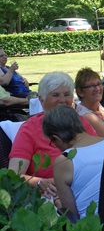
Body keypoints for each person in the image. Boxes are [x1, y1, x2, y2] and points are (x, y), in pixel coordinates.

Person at [8, 72, 98, 201]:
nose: (63, 100)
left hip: (87, 189)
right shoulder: (30, 129)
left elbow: (98, 153)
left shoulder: (81, 122)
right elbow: (13, 174)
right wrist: (39, 182)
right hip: (50, 196)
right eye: (55, 95)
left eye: (67, 94)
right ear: (41, 100)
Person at [43, 105, 104, 220]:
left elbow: (71, 216)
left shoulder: (65, 161)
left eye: (52, 142)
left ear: (58, 139)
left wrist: (56, 199)